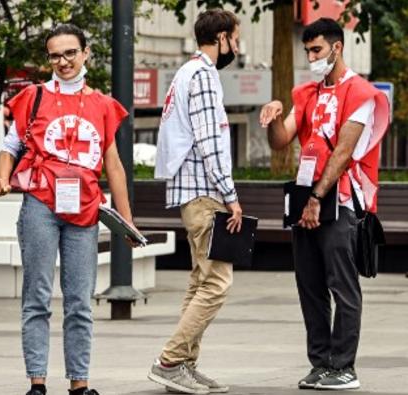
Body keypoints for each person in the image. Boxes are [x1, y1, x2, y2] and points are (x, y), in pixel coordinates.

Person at [0, 23, 137, 395]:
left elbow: (114, 166)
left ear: (86, 53)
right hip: (40, 204)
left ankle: (79, 384)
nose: (64, 61)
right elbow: (10, 147)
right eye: (55, 55)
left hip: (85, 210)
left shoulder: (103, 105)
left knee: (79, 301)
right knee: (37, 296)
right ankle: (37, 382)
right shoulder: (34, 97)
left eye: (71, 52)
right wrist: (3, 178)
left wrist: (127, 223)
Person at [259, 17, 389, 391]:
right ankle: (320, 364)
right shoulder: (306, 94)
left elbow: (345, 151)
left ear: (336, 47)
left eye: (316, 50)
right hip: (306, 198)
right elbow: (281, 140)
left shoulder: (361, 93)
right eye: (307, 51)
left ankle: (344, 366)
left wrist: (318, 197)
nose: (311, 57)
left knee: (341, 285)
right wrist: (272, 116)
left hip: (341, 199)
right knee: (310, 285)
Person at [149, 8, 243, 395]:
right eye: (234, 39)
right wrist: (231, 196)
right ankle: (170, 361)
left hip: (190, 192)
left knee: (200, 280)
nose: (237, 47)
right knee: (218, 282)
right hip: (205, 193)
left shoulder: (186, 73)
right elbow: (209, 141)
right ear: (220, 37)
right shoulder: (203, 76)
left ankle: (185, 364)